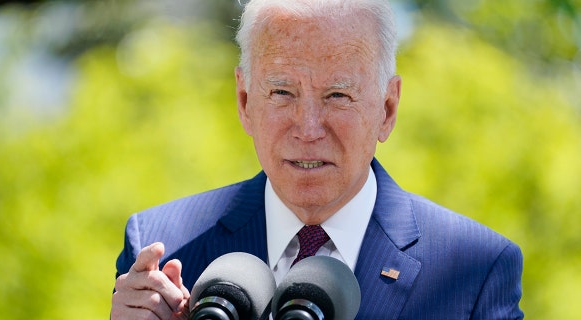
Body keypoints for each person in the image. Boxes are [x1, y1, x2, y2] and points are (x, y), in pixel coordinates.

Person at [110, 0, 524, 319]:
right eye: (282, 93)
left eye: (337, 96)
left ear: (387, 109)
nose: (308, 128)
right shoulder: (162, 250)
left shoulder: (476, 271)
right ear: (244, 100)